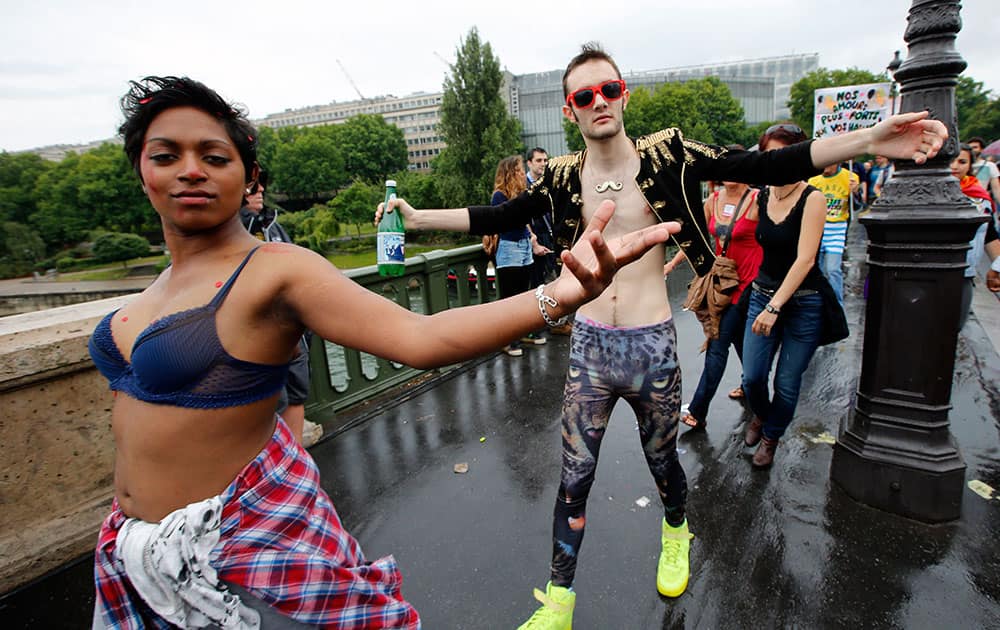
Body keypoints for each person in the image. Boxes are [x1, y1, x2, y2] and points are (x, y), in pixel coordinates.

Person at [376, 43, 947, 629]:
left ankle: (676, 527)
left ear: (624, 95)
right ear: (570, 110)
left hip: (651, 345)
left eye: (609, 90)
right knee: (574, 477)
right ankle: (559, 602)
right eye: (584, 96)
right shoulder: (564, 178)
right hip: (591, 345)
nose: (599, 102)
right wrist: (417, 219)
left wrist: (869, 140)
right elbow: (499, 217)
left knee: (663, 461)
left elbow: (765, 166)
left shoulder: (667, 155)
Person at [87, 75, 676, 629]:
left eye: (214, 157)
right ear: (141, 171)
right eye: (166, 155)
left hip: (240, 549)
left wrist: (562, 294)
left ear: (248, 175)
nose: (191, 171)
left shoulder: (274, 270)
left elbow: (424, 338)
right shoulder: (157, 288)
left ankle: (672, 532)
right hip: (131, 554)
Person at [741, 123, 844, 470]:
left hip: (803, 302)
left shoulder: (812, 198)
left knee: (786, 382)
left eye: (784, 153)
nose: (776, 161)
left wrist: (774, 306)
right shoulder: (762, 195)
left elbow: (805, 260)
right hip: (761, 293)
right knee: (752, 377)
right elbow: (744, 238)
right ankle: (763, 416)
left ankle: (771, 437)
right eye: (770, 154)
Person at [664, 154, 761, 429]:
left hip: (748, 286)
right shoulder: (714, 200)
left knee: (717, 343)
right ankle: (751, 384)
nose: (729, 173)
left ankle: (698, 410)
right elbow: (694, 238)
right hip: (721, 284)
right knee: (740, 339)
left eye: (735, 166)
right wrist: (671, 263)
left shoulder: (757, 201)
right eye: (724, 167)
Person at [239, 172, 314, 443]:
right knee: (271, 405)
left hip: (291, 332)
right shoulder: (230, 233)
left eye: (260, 186)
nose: (259, 191)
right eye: (251, 188)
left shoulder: (272, 225)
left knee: (295, 393)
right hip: (255, 339)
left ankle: (294, 461)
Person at [493, 155, 552, 356]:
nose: (521, 174)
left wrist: (532, 238)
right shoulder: (500, 195)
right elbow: (502, 222)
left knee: (524, 293)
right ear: (510, 173)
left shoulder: (520, 193)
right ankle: (507, 340)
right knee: (510, 296)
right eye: (518, 170)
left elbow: (525, 221)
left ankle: (522, 333)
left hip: (524, 246)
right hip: (509, 247)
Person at [951, 143, 995, 328]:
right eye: (950, 160)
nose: (954, 166)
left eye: (962, 161)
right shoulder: (921, 192)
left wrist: (998, 267)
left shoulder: (979, 198)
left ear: (969, 166)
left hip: (963, 275)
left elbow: (989, 235)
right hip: (925, 273)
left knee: (954, 328)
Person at [808, 162, 859, 305]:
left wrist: (855, 192)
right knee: (816, 269)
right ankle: (818, 302)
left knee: (832, 269)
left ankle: (837, 304)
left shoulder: (850, 178)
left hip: (836, 229)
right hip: (817, 228)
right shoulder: (814, 180)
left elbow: (858, 205)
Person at [968, 136, 1000, 207]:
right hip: (965, 204)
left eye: (975, 147)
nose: (972, 150)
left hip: (982, 204)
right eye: (970, 148)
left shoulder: (990, 166)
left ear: (982, 149)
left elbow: (996, 189)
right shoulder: (962, 166)